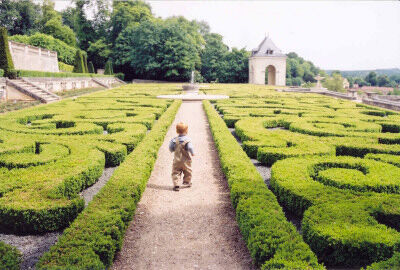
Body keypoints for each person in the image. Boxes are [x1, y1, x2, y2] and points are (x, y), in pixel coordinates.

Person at [169, 122, 195, 191]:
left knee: (175, 172)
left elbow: (170, 147)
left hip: (177, 160)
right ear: (186, 131)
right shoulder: (188, 140)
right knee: (188, 171)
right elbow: (190, 147)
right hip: (186, 161)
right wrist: (192, 153)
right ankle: (187, 182)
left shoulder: (174, 140)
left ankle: (176, 184)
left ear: (177, 131)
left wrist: (172, 150)